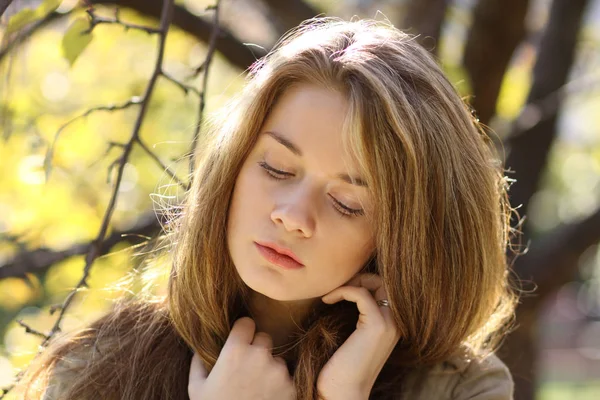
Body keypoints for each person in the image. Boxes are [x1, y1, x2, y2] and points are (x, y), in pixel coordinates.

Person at [14, 16, 519, 400]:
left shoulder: (462, 388)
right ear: (231, 167)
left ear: (400, 237)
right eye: (276, 169)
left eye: (347, 203)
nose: (293, 216)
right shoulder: (100, 367)